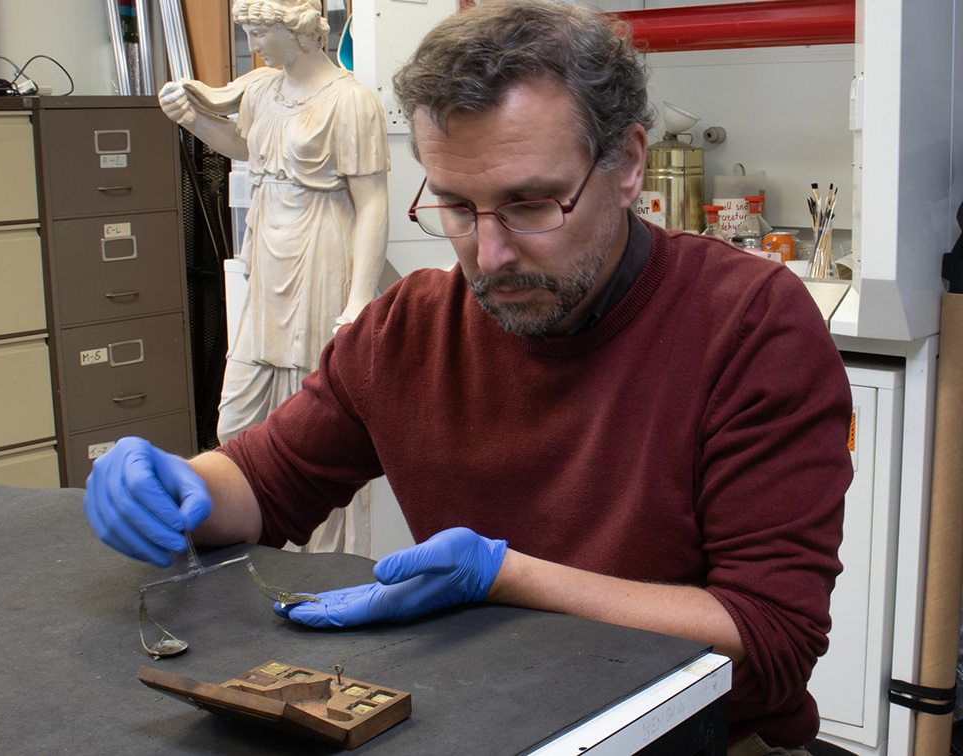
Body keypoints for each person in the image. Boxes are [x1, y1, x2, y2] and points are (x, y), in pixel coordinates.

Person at [86, 1, 853, 752]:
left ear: (625, 164)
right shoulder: (408, 328)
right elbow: (265, 483)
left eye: (529, 204)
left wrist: (504, 577)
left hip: (693, 738)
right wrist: (177, 485)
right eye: (456, 206)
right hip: (488, 716)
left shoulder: (749, 325)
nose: (488, 255)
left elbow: (772, 640)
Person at [157, 0, 391, 553]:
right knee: (236, 417)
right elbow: (249, 146)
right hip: (267, 252)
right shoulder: (262, 88)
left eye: (262, 31)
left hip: (322, 253)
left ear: (304, 32)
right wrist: (193, 118)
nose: (256, 43)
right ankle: (242, 535)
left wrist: (359, 298)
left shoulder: (351, 101)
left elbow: (375, 203)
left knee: (322, 423)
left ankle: (329, 563)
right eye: (249, 31)